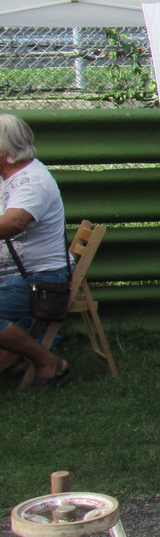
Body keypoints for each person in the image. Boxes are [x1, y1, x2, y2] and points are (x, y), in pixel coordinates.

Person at [0, 114, 70, 387]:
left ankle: (47, 361)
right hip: (19, 276)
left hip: (39, 281)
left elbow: (14, 222)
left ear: (3, 150)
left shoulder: (31, 182)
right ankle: (10, 356)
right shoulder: (10, 177)